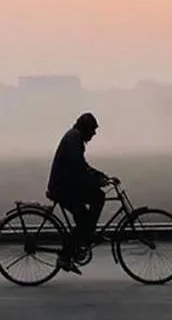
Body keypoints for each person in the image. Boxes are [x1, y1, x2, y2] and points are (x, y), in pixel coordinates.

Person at [46, 112, 108, 275]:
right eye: (92, 130)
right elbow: (78, 168)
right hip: (63, 189)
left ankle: (84, 236)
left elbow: (82, 166)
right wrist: (97, 180)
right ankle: (68, 254)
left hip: (65, 186)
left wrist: (100, 175)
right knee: (95, 201)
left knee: (90, 208)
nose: (94, 134)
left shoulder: (74, 137)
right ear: (86, 128)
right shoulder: (74, 139)